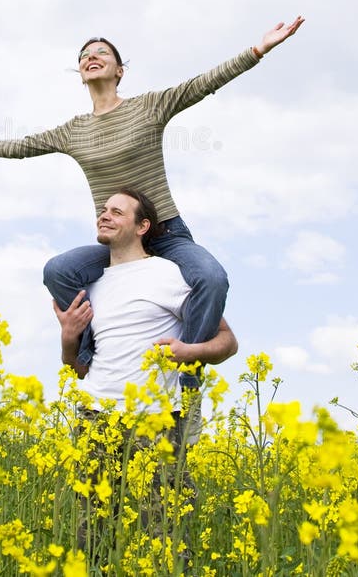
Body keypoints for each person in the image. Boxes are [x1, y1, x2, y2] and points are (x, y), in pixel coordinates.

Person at [0, 17, 303, 373]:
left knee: (211, 278)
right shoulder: (73, 131)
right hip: (118, 244)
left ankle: (186, 368)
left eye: (101, 52)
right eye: (84, 55)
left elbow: (202, 83)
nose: (91, 56)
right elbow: (24, 146)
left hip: (166, 234)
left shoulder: (148, 107)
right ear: (80, 73)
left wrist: (258, 49)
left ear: (120, 70)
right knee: (59, 271)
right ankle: (93, 358)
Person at [52, 187, 237, 569]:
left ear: (143, 226)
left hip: (157, 419)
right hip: (96, 417)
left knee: (167, 539)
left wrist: (190, 352)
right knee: (92, 542)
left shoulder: (169, 274)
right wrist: (69, 338)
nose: (104, 215)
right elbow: (78, 369)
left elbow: (227, 341)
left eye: (117, 212)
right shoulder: (93, 284)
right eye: (103, 210)